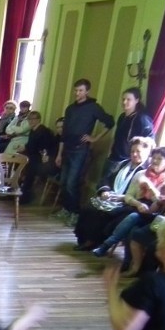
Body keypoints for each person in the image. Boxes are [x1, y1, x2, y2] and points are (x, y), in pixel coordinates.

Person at [72, 136, 153, 251]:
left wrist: (123, 198)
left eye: (138, 152)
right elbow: (106, 179)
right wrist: (105, 191)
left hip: (129, 203)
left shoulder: (147, 172)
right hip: (111, 197)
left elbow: (143, 196)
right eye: (132, 151)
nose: (134, 154)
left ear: (147, 152)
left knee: (101, 213)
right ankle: (84, 239)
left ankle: (94, 241)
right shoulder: (123, 164)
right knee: (88, 207)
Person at [54, 79, 116, 228]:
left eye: (81, 90)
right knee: (63, 182)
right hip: (67, 149)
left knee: (72, 183)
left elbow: (110, 122)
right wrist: (59, 154)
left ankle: (75, 213)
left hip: (80, 151)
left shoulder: (93, 107)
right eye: (76, 90)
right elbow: (64, 134)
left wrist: (94, 138)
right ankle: (66, 209)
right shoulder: (70, 109)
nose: (77, 93)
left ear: (87, 91)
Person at [99, 87, 155, 187]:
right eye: (123, 99)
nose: (124, 102)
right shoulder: (122, 117)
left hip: (126, 162)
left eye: (128, 99)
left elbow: (150, 142)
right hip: (113, 157)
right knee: (102, 186)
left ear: (137, 100)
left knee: (114, 188)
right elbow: (117, 137)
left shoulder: (142, 119)